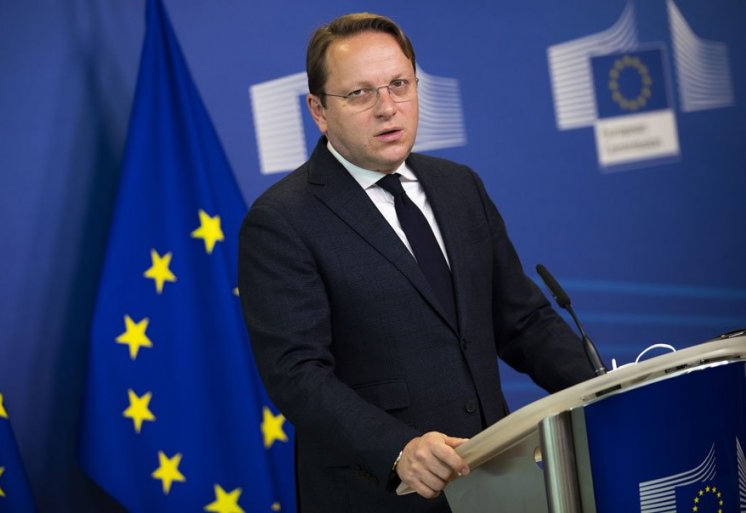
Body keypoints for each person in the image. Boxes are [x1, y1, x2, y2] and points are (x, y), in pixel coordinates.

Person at [238, 12, 594, 512]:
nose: (387, 108)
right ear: (319, 110)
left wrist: (606, 389)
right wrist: (398, 449)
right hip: (378, 493)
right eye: (360, 94)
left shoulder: (459, 186)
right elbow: (296, 374)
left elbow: (522, 322)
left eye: (399, 85)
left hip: (492, 479)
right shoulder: (282, 219)